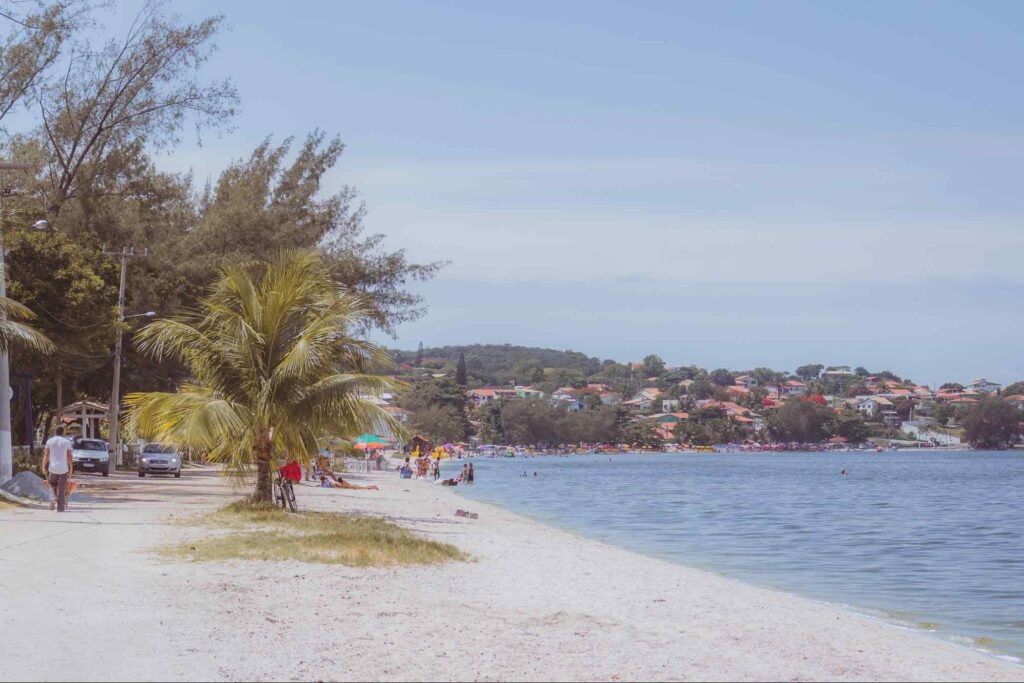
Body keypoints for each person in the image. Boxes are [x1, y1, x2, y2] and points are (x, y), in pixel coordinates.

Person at [41, 426, 74, 512]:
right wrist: (71, 467)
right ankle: (60, 508)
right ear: (62, 432)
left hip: (52, 468)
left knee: (51, 484)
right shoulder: (67, 442)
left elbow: (46, 455)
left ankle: (53, 498)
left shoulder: (49, 441)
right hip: (63, 469)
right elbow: (69, 455)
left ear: (54, 432)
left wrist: (43, 466)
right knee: (62, 489)